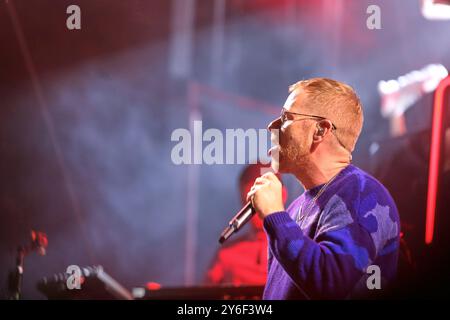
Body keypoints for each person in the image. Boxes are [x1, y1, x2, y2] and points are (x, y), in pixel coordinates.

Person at [247, 78, 400, 299]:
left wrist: (273, 215)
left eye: (285, 117)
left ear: (320, 130)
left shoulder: (359, 193)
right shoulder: (297, 207)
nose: (272, 126)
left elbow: (330, 283)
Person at [206, 163, 287, 286]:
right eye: (249, 202)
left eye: (261, 199)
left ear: (282, 194)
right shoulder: (227, 255)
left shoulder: (302, 245)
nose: (258, 208)